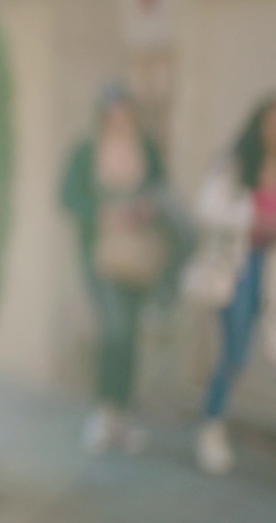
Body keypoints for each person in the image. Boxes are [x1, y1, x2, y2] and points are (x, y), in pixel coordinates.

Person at [60, 84, 184, 455]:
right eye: (113, 112)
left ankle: (121, 416)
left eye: (124, 111)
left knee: (129, 333)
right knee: (115, 330)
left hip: (139, 255)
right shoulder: (86, 151)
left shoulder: (145, 149)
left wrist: (146, 208)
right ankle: (104, 413)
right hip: (101, 256)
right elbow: (68, 196)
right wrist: (102, 212)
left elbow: (162, 190)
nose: (120, 119)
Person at [191, 95, 276, 475]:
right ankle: (211, 426)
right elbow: (206, 208)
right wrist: (249, 221)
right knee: (235, 352)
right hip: (238, 267)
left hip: (270, 268)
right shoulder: (237, 162)